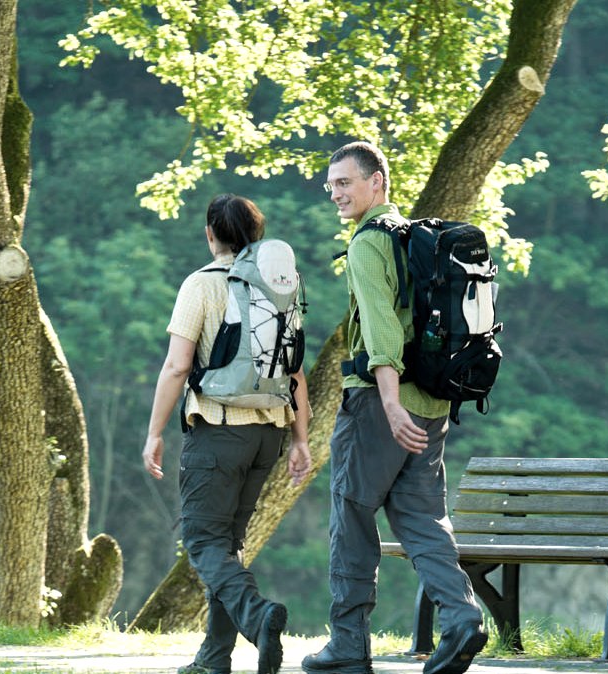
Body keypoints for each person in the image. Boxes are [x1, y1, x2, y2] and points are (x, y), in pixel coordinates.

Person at [301, 142, 488, 674]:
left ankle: (347, 645)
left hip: (379, 406)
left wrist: (387, 401)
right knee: (423, 517)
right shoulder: (417, 240)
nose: (336, 193)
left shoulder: (367, 244)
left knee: (352, 513)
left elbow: (381, 329)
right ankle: (461, 620)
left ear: (377, 182)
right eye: (331, 184)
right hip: (431, 401)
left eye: (346, 183)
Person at [143, 193, 313, 674]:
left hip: (218, 430)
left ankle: (258, 616)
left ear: (210, 233)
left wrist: (154, 432)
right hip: (270, 434)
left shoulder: (201, 284)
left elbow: (177, 366)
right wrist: (300, 440)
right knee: (228, 545)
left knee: (202, 540)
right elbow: (295, 370)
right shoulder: (282, 285)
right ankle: (214, 657)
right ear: (256, 236)